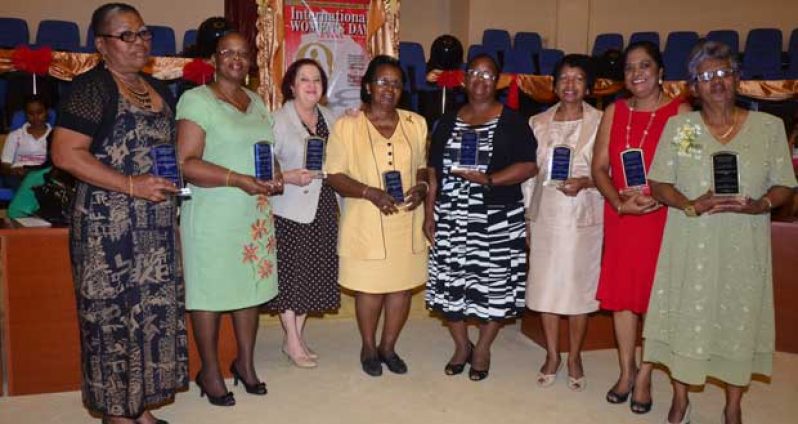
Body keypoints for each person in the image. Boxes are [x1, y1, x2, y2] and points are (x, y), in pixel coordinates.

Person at [644, 40, 797, 424]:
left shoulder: (768, 127)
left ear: (737, 78)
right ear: (693, 86)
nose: (715, 82)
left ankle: (733, 405)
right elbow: (660, 182)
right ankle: (680, 399)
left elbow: (785, 185)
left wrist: (761, 204)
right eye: (705, 76)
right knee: (685, 316)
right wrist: (690, 203)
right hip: (691, 241)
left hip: (743, 245)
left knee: (738, 320)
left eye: (723, 73)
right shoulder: (683, 129)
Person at [51, 3, 186, 423]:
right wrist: (132, 185)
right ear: (102, 44)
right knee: (111, 321)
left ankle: (140, 407)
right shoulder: (91, 88)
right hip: (107, 230)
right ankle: (116, 414)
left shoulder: (159, 90)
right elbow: (65, 154)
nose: (139, 41)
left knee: (151, 316)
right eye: (126, 35)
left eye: (143, 33)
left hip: (155, 227)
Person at [177, 31, 282, 405]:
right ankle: (209, 370)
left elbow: (266, 151)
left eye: (242, 53)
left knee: (248, 289)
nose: (236, 59)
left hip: (251, 214)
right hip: (212, 214)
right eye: (228, 53)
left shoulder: (256, 101)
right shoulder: (197, 100)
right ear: (214, 59)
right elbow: (185, 163)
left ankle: (246, 364)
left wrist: (277, 173)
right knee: (209, 293)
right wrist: (237, 179)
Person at [591, 41, 691, 414]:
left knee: (654, 301)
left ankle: (646, 375)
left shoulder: (680, 113)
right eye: (630, 67)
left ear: (661, 71)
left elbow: (690, 170)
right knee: (622, 300)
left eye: (645, 65)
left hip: (661, 219)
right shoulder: (615, 111)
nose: (636, 73)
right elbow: (599, 167)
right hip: (622, 218)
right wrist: (619, 202)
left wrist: (662, 197)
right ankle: (626, 370)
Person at [426, 53, 537, 381]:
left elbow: (529, 165)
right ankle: (462, 346)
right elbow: (433, 170)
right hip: (452, 217)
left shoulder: (513, 120)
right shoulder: (447, 120)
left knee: (494, 289)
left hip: (496, 220)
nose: (480, 80)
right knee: (451, 286)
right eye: (474, 73)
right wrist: (429, 210)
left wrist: (489, 179)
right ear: (464, 78)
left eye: (488, 75)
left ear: (498, 81)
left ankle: (484, 348)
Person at [325, 55, 429, 377]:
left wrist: (423, 184)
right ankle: (369, 347)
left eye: (396, 84)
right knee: (370, 289)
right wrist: (370, 192)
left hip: (406, 218)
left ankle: (388, 346)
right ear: (368, 86)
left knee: (400, 288)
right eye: (382, 82)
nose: (389, 89)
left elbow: (424, 165)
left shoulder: (416, 123)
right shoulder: (347, 125)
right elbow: (334, 175)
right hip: (366, 219)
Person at [523, 54, 603, 391]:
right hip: (546, 215)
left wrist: (585, 182)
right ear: (554, 85)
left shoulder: (602, 121)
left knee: (579, 291)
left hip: (584, 215)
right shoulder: (537, 122)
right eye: (564, 79)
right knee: (547, 288)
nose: (570, 85)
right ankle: (553, 354)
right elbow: (529, 176)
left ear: (589, 86)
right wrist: (528, 219)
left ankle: (575, 355)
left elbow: (611, 173)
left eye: (578, 78)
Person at [264, 58, 340, 368]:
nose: (311, 85)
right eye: (304, 80)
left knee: (312, 277)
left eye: (317, 80)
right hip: (289, 207)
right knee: (291, 278)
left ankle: (293, 336)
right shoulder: (277, 120)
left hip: (323, 205)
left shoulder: (332, 118)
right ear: (292, 86)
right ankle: (293, 342)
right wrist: (286, 176)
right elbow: (264, 162)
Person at [2, 96, 51, 187]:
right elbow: (5, 164)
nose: (36, 117)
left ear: (47, 112)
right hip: (18, 176)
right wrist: (14, 171)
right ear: (25, 114)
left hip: (42, 175)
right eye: (31, 114)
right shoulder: (15, 136)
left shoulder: (54, 136)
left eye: (39, 112)